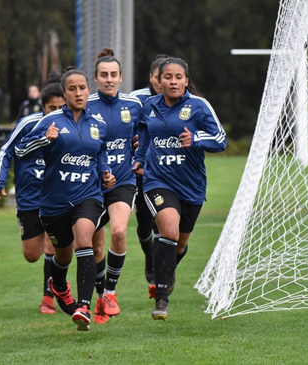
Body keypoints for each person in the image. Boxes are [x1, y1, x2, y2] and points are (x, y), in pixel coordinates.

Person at [15, 66, 116, 331]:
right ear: (64, 93)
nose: (78, 93)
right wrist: (42, 140)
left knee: (85, 238)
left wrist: (105, 173)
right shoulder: (50, 121)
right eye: (72, 89)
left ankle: (83, 306)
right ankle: (58, 286)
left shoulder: (98, 125)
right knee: (63, 255)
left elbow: (101, 153)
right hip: (54, 203)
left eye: (82, 88)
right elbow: (20, 149)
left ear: (88, 90)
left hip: (88, 196)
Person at [133, 58, 226, 320]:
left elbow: (220, 140)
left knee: (180, 243)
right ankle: (161, 299)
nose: (173, 82)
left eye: (178, 77)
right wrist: (139, 159)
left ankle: (161, 268)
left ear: (186, 81)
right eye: (168, 77)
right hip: (157, 180)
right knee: (169, 230)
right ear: (158, 81)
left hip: (192, 185)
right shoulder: (149, 106)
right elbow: (144, 134)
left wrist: (195, 139)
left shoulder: (199, 106)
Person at [0, 71, 65, 314]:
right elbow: (8, 151)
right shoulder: (29, 124)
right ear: (42, 106)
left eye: (60, 107)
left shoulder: (73, 123)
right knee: (31, 254)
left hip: (58, 196)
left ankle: (48, 296)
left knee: (53, 247)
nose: (56, 112)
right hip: (30, 197)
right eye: (51, 107)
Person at [86, 48, 143, 323]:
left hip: (123, 181)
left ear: (121, 77)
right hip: (92, 185)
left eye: (114, 74)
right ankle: (98, 299)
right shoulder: (85, 106)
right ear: (95, 78)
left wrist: (140, 149)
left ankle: (110, 292)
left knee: (119, 232)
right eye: (104, 75)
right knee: (95, 247)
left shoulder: (133, 106)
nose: (109, 79)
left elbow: (145, 131)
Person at [129, 55, 168, 290]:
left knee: (163, 223)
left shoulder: (183, 102)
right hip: (141, 170)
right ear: (152, 77)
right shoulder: (136, 100)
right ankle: (150, 258)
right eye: (158, 77)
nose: (161, 82)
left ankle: (159, 269)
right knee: (144, 224)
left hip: (168, 172)